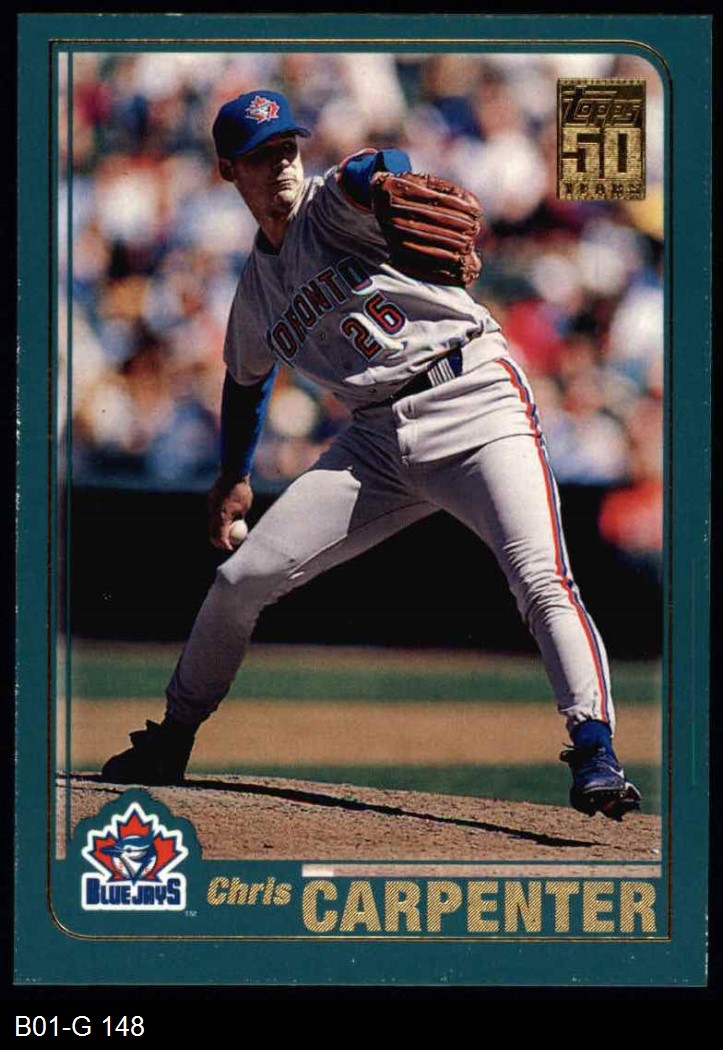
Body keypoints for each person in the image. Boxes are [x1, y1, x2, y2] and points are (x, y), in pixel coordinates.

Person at [102, 89, 641, 821]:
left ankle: (595, 749)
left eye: (288, 148)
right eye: (262, 156)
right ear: (228, 171)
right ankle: (172, 735)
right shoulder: (255, 291)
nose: (282, 164)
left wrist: (384, 177)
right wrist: (232, 475)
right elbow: (245, 383)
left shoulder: (331, 204)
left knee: (541, 577)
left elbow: (370, 169)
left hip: (475, 399)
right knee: (240, 579)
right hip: (375, 442)